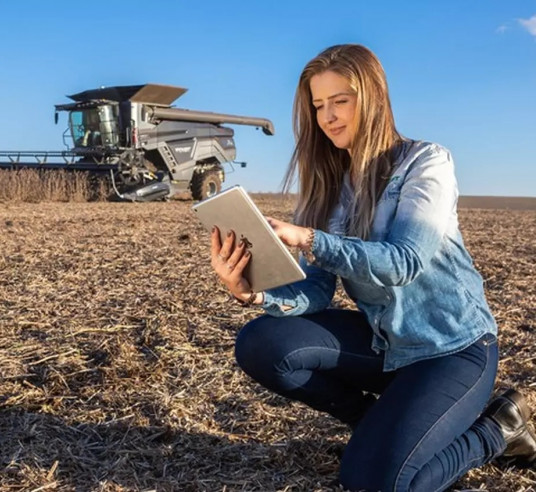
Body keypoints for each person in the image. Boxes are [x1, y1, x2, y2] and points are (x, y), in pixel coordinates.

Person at [209, 44, 536, 491]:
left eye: (339, 100)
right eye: (318, 105)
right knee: (261, 342)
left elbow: (405, 261)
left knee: (374, 483)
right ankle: (373, 424)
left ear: (373, 98)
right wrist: (254, 292)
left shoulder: (425, 163)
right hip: (387, 348)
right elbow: (318, 291)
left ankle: (496, 431)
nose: (327, 117)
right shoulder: (326, 187)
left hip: (453, 350)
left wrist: (309, 238)